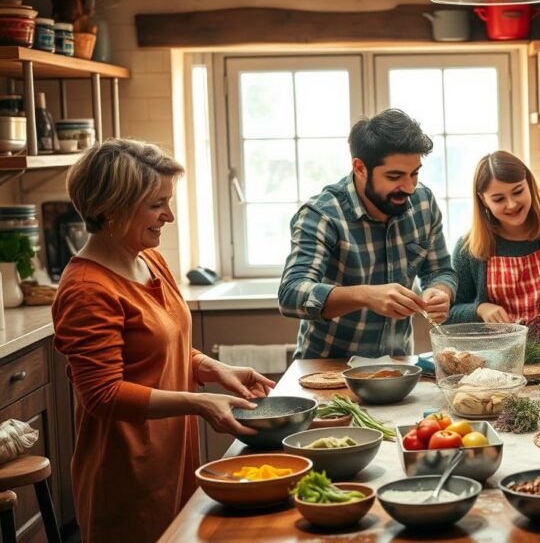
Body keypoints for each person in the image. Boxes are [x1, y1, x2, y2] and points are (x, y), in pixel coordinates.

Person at [52, 139, 274, 543]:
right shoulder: (87, 289)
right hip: (125, 475)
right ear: (112, 207)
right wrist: (199, 403)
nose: (169, 216)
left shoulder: (149, 259)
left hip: (171, 461)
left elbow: (163, 346)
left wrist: (213, 368)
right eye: (157, 204)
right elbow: (102, 394)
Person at [279, 109, 457, 358]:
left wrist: (441, 291)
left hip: (397, 367)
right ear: (360, 168)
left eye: (414, 173)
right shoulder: (322, 214)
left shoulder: (423, 202)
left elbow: (440, 270)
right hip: (327, 369)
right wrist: (365, 295)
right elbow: (291, 293)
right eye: (394, 176)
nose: (409, 187)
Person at [449, 151, 540, 352]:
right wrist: (481, 309)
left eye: (517, 191)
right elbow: (449, 314)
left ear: (529, 184)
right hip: (494, 363)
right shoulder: (468, 247)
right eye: (498, 199)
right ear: (483, 200)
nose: (512, 204)